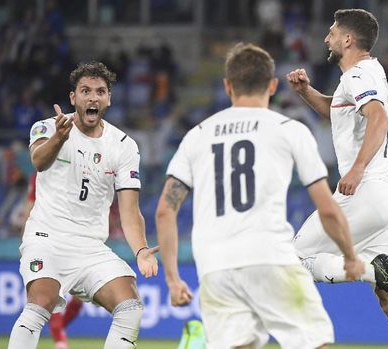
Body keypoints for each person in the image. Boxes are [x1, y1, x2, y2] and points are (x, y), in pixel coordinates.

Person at [156, 43, 365, 349]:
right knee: (314, 342)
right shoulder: (289, 129)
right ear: (273, 85)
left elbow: (164, 211)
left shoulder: (197, 134)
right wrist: (349, 256)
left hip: (215, 266)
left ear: (228, 86)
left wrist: (173, 280)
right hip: (270, 258)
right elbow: (328, 208)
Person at [286, 9, 388, 348]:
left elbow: (378, 119)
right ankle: (379, 274)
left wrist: (358, 167)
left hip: (363, 192)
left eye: (332, 32)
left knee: (291, 262)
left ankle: (370, 270)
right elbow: (339, 110)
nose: (326, 38)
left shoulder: (356, 76)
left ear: (348, 39)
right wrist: (306, 92)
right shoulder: (371, 72)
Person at [7, 61, 159, 349]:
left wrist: (141, 250)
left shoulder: (124, 145)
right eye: (85, 91)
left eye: (100, 91)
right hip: (47, 239)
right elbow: (39, 161)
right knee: (40, 302)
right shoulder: (48, 127)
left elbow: (129, 211)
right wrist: (59, 138)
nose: (93, 97)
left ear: (109, 99)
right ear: (73, 97)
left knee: (131, 305)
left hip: (91, 248)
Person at [21, 171, 84, 349]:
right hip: (47, 240)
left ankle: (58, 331)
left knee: (80, 298)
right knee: (53, 292)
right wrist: (26, 242)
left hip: (77, 241)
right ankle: (60, 341)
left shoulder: (77, 169)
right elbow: (30, 207)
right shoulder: (40, 175)